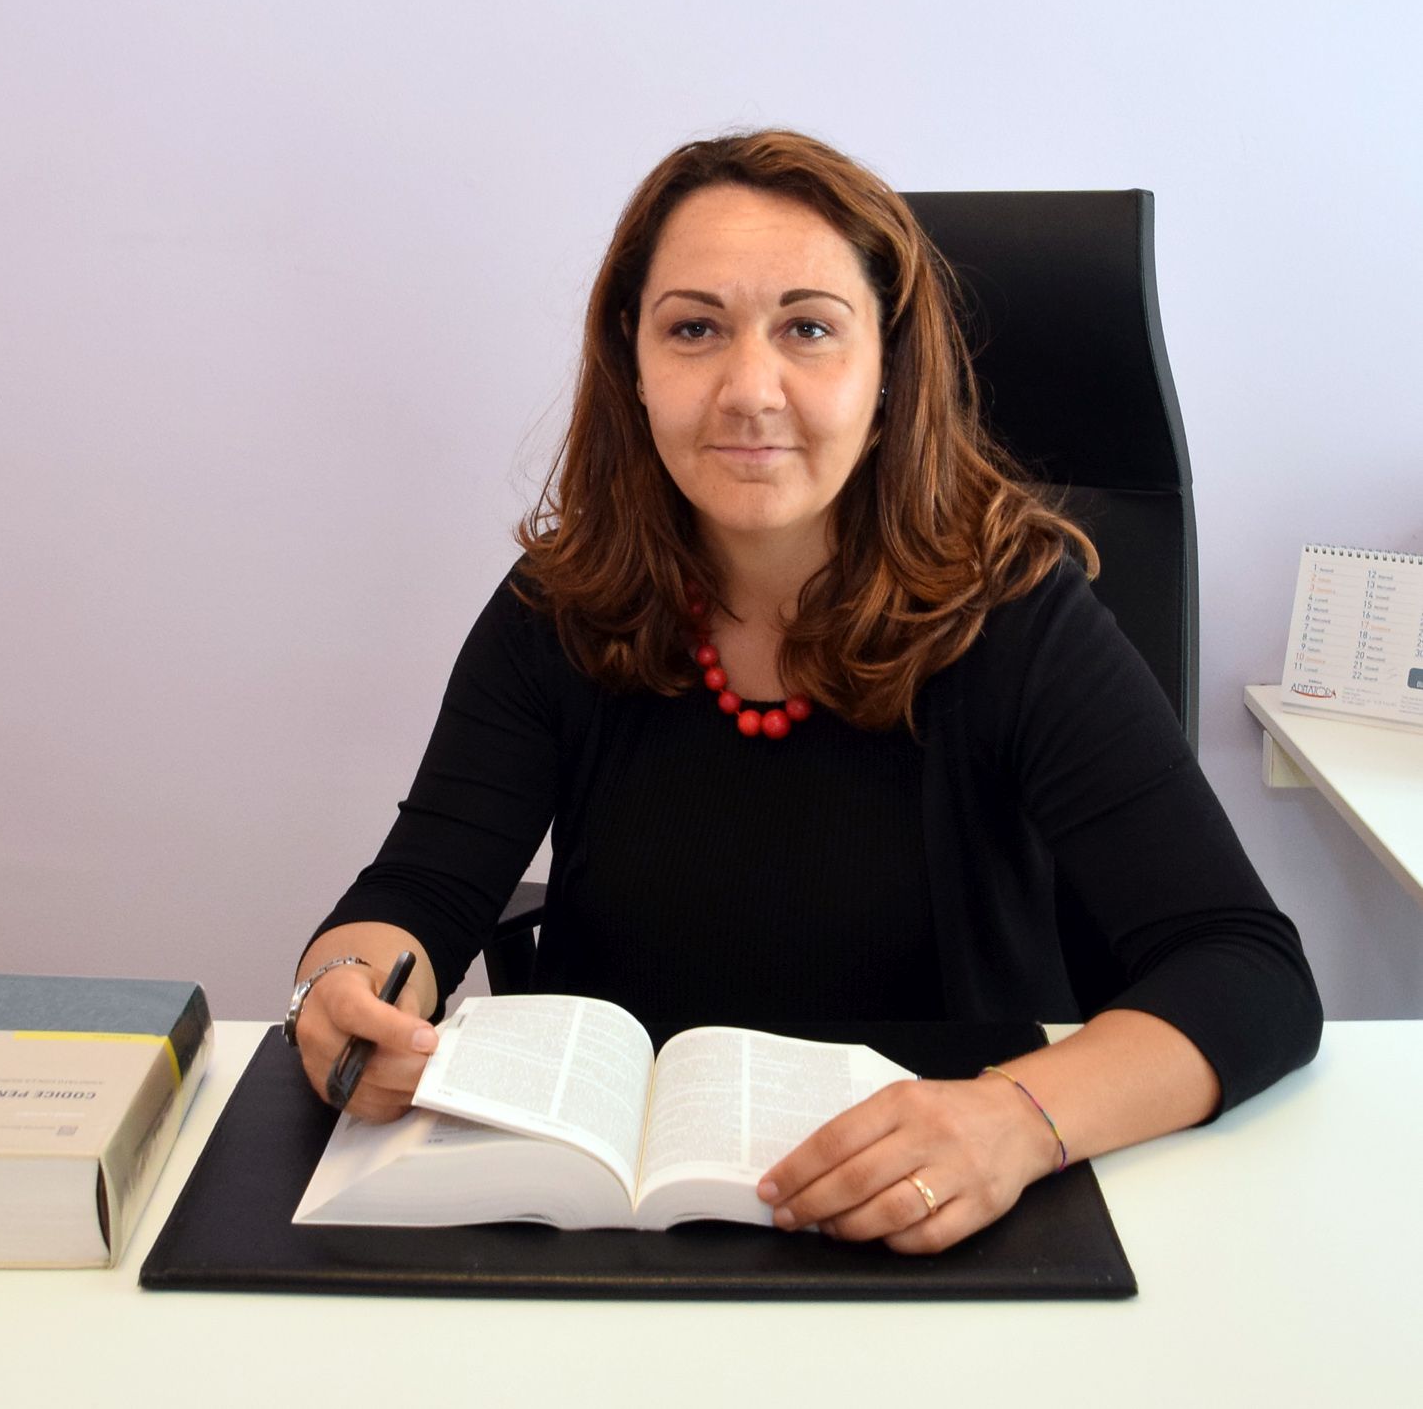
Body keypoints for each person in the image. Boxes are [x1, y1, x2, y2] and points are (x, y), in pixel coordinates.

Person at [290, 129, 1321, 1255]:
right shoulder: (565, 603)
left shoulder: (1017, 616)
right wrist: (343, 985)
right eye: (694, 329)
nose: (749, 391)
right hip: (617, 1228)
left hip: (937, 1220)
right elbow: (420, 891)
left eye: (809, 329)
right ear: (633, 365)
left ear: (889, 373)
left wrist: (1019, 1119)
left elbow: (1247, 969)